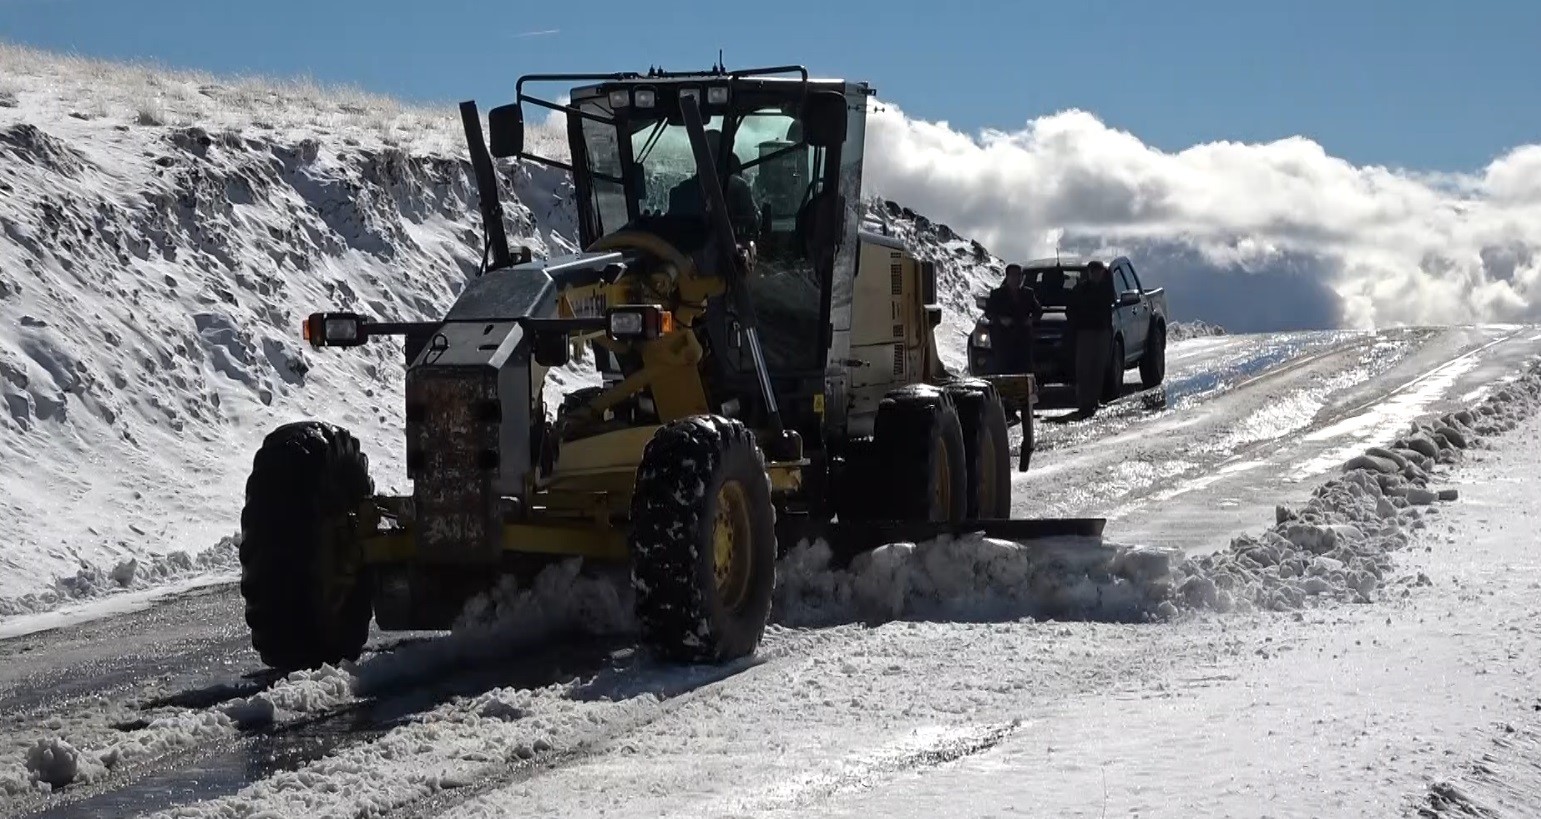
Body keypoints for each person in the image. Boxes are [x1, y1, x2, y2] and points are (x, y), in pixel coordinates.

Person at [666, 128, 760, 240]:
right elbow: (670, 232)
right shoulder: (681, 194)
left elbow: (754, 221)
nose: (712, 158)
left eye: (716, 152)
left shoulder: (739, 188)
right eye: (709, 152)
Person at [1066, 260, 1117, 416]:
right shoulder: (1080, 290)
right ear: (1089, 273)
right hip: (1085, 332)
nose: (1097, 274)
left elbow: (1112, 303)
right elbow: (1071, 311)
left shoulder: (1106, 289)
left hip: (1102, 332)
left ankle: (1094, 400)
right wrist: (1078, 325)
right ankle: (1083, 402)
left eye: (1100, 272)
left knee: (1098, 368)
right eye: (1094, 272)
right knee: (1084, 369)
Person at [984, 264, 1043, 378]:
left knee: (1024, 373)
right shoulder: (997, 294)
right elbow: (989, 313)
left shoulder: (1028, 293)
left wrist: (1031, 320)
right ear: (1008, 277)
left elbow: (1038, 311)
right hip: (1003, 341)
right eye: (1014, 275)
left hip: (1023, 341)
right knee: (1004, 372)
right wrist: (1000, 319)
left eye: (1020, 276)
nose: (1017, 279)